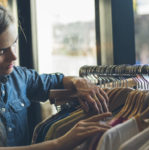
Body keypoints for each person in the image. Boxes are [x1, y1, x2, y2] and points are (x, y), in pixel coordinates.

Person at [0, 5, 111, 150]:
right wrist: (60, 143)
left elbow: (53, 82)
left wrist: (79, 82)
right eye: (1, 51)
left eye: (14, 44)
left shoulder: (19, 77)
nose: (13, 56)